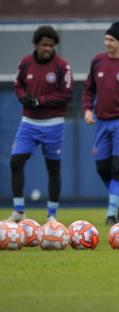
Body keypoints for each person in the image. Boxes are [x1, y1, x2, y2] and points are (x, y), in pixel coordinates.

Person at [7, 25, 73, 222]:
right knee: (15, 162)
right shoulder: (25, 63)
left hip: (53, 124)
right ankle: (19, 211)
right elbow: (18, 85)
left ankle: (52, 215)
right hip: (28, 123)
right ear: (36, 44)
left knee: (53, 168)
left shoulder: (62, 66)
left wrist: (40, 101)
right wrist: (23, 98)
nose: (47, 49)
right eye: (44, 45)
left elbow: (66, 93)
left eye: (51, 45)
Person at [82, 21, 119, 225]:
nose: (107, 43)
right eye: (106, 38)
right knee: (102, 168)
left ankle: (111, 213)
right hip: (102, 122)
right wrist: (88, 109)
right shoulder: (98, 61)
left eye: (112, 39)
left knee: (118, 166)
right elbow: (89, 89)